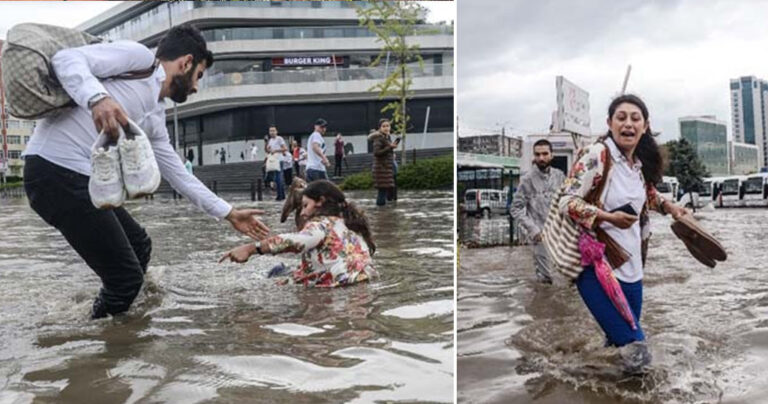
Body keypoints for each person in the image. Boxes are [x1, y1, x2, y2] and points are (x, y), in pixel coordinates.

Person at [22, 24, 269, 319]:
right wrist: (97, 98)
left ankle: (123, 320)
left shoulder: (155, 113)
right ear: (186, 62)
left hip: (78, 180)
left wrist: (228, 212)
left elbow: (177, 173)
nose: (195, 87)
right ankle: (98, 346)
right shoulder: (139, 58)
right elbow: (65, 59)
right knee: (125, 280)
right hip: (53, 172)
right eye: (199, 76)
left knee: (140, 246)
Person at [558, 94, 687, 373]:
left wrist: (671, 208)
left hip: (632, 268)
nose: (628, 123)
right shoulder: (597, 155)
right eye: (621, 117)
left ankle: (593, 385)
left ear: (645, 126)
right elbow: (566, 202)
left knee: (617, 347)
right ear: (610, 123)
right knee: (637, 352)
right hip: (596, 266)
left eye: (635, 118)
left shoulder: (637, 166)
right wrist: (607, 218)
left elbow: (648, 197)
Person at [219, 180, 377, 288]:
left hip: (335, 287)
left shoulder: (321, 226)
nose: (303, 212)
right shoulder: (353, 224)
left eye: (305, 205)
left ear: (320, 201)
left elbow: (296, 241)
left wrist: (251, 248)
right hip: (362, 282)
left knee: (276, 273)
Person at [510, 139, 565, 284]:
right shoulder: (526, 180)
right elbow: (515, 208)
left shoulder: (560, 176)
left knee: (566, 276)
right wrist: (533, 229)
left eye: (545, 154)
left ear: (552, 155)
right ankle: (543, 304)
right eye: (537, 154)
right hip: (539, 235)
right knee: (545, 278)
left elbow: (566, 201)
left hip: (560, 233)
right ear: (534, 156)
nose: (541, 158)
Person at [369, 119, 397, 206]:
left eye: (387, 126)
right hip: (381, 169)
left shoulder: (386, 137)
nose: (386, 128)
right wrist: (390, 147)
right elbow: (377, 152)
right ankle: (381, 214)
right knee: (382, 192)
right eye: (383, 126)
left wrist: (391, 152)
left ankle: (383, 213)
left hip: (385, 169)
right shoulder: (378, 138)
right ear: (380, 128)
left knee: (384, 192)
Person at [265, 125, 287, 201]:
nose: (272, 132)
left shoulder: (279, 139)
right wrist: (268, 148)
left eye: (273, 131)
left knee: (279, 178)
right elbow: (267, 150)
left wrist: (276, 150)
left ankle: (280, 196)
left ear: (276, 131)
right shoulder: (270, 140)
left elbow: (285, 148)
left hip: (279, 160)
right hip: (273, 160)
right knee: (277, 178)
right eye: (270, 131)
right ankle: (282, 195)